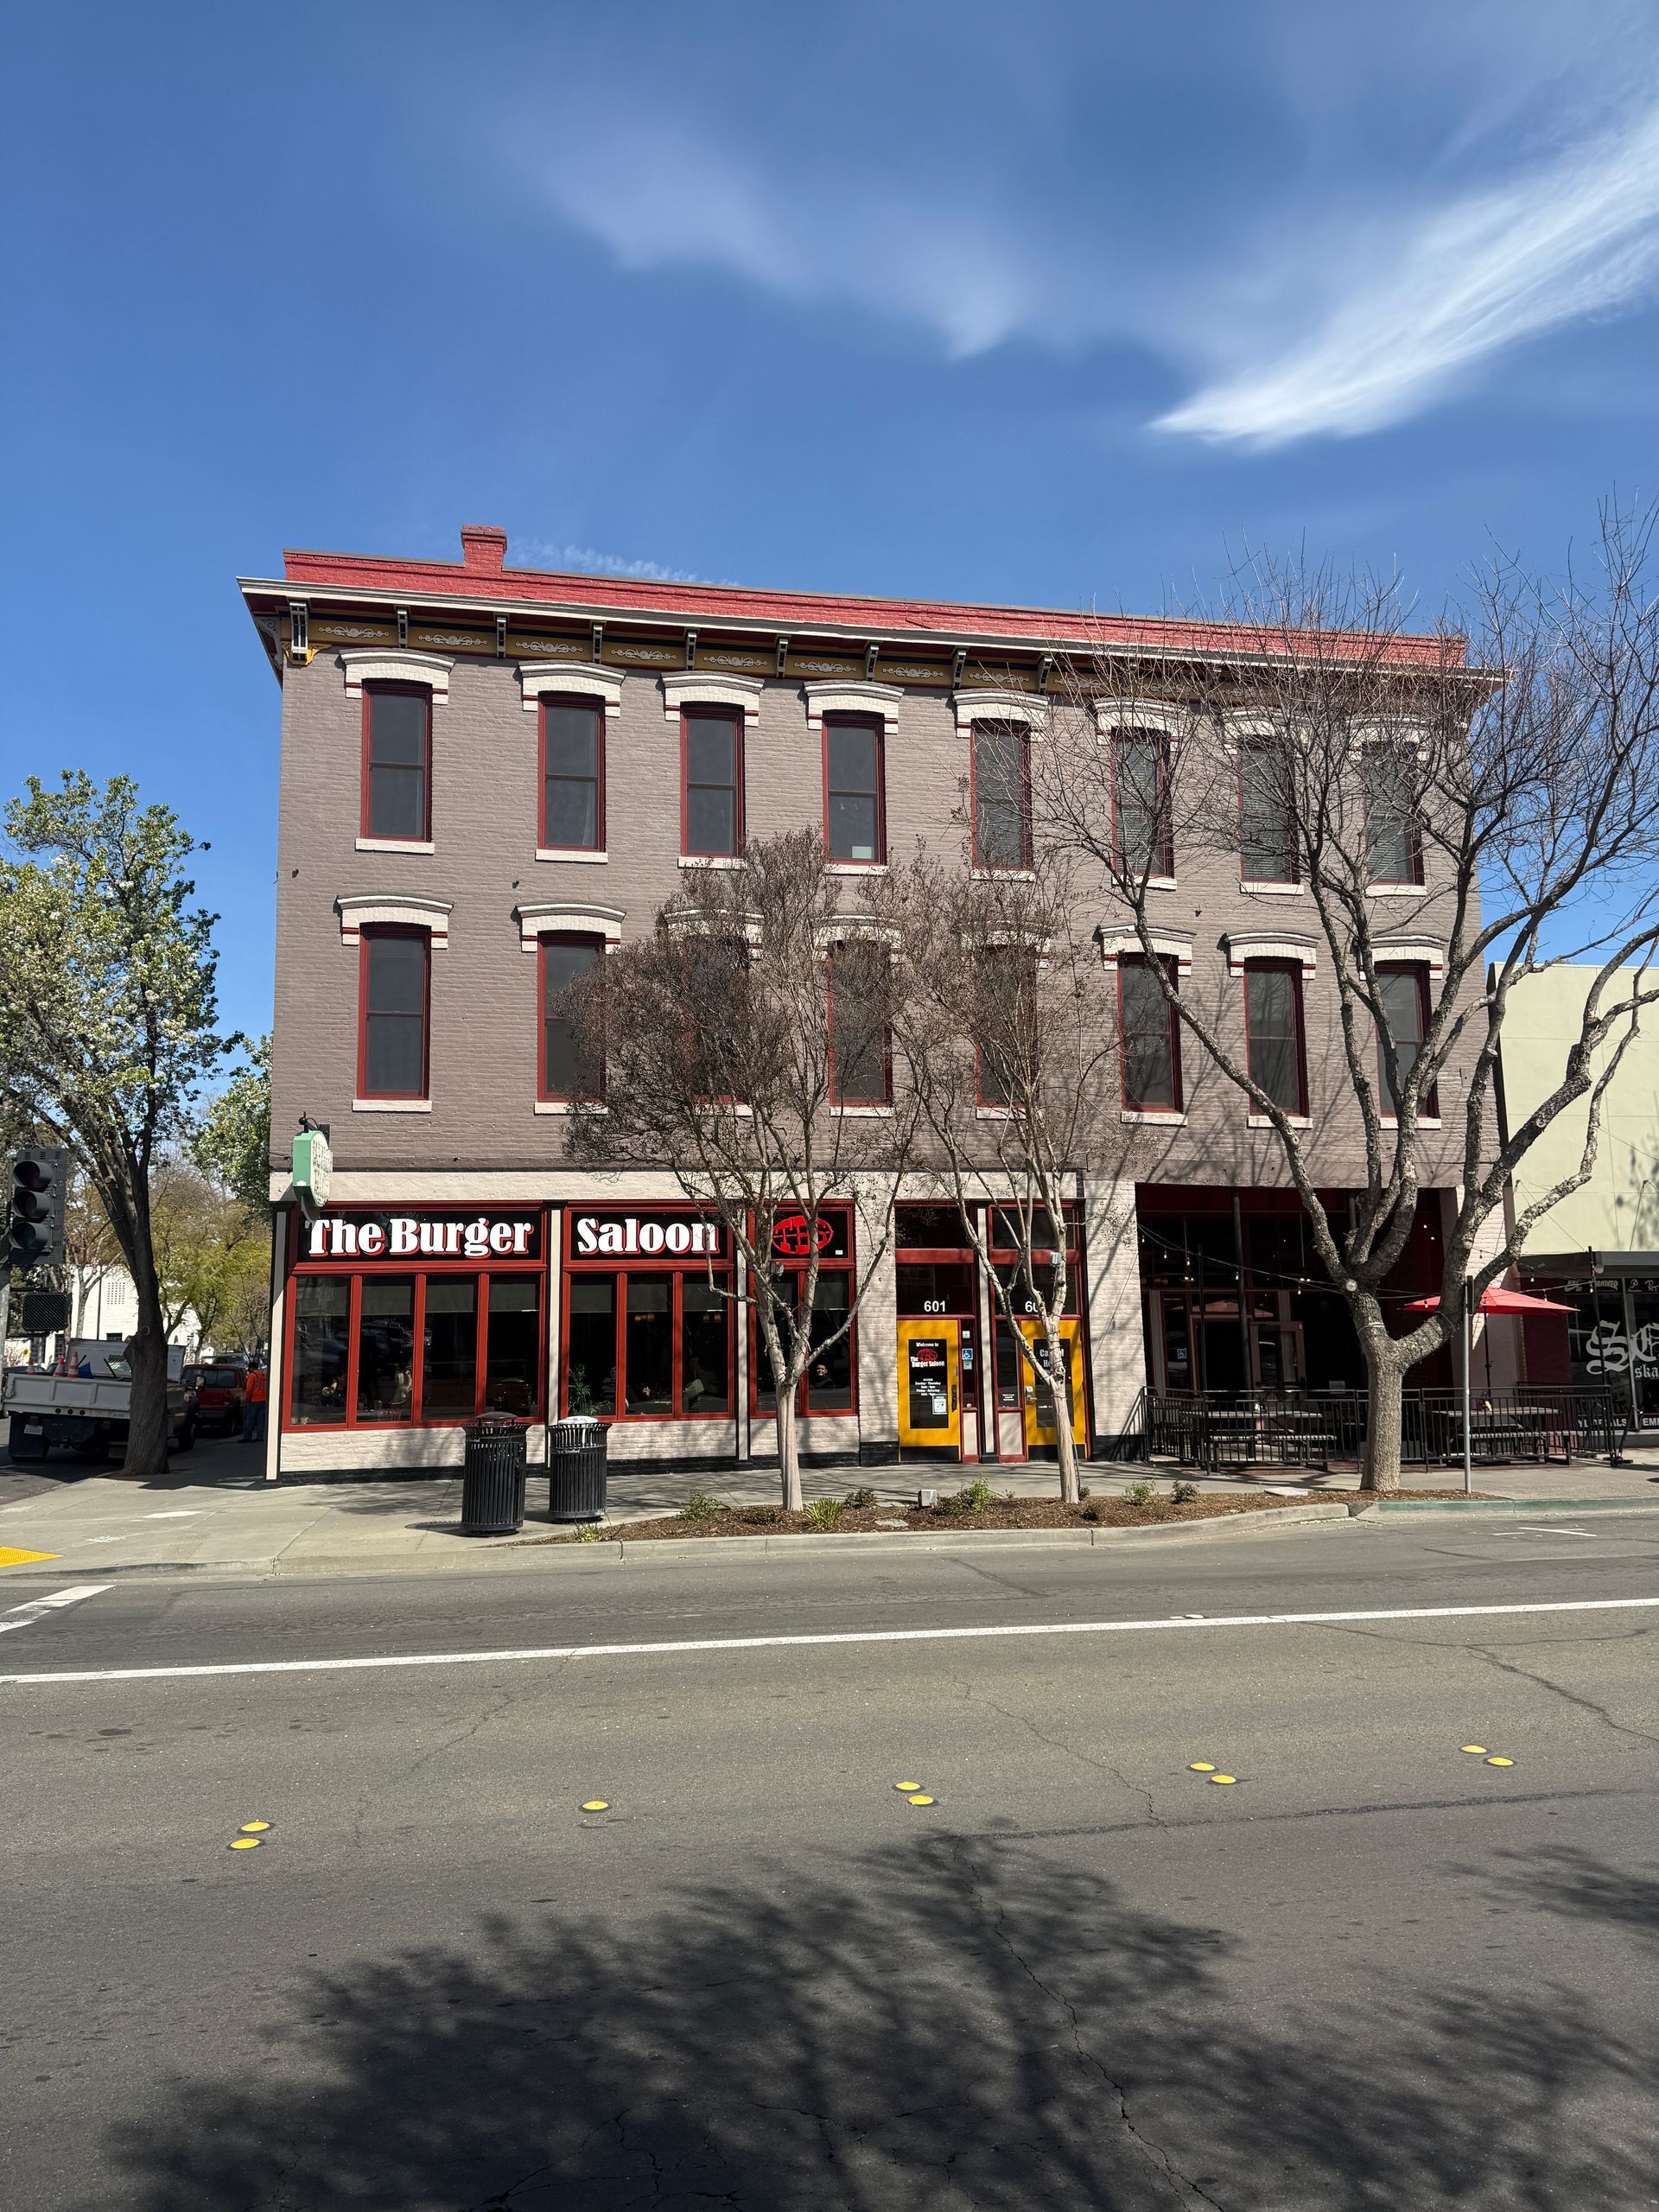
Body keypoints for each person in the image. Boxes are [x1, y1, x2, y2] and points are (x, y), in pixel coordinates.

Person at [242, 1362, 269, 1444]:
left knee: (250, 1419)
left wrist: (247, 1399)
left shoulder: (252, 1376)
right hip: (263, 1399)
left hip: (253, 1400)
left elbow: (249, 1389)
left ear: (251, 1368)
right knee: (261, 1420)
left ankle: (247, 1437)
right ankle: (260, 1437)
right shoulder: (263, 1375)